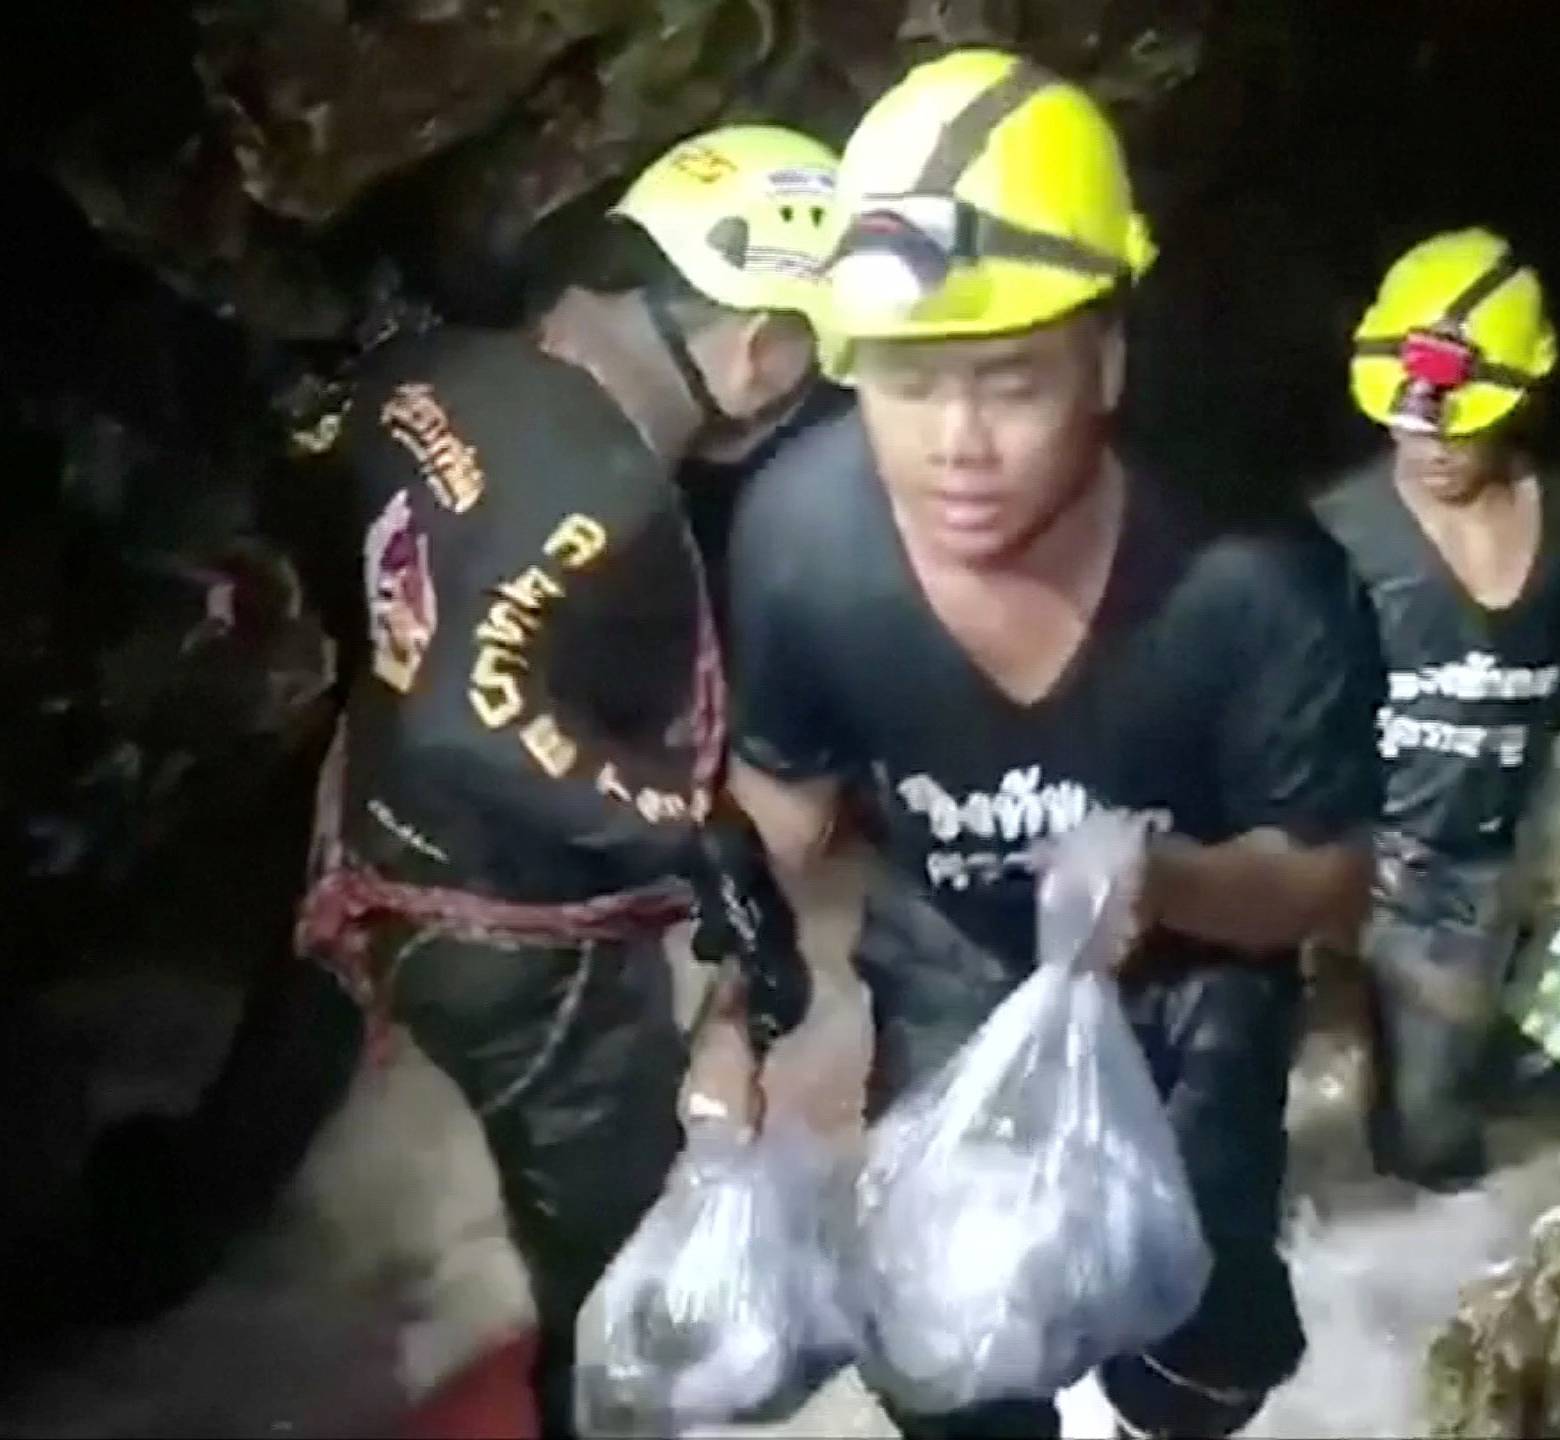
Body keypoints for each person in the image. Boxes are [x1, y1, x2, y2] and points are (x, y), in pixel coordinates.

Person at [705, 49, 1382, 1440]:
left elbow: (1328, 878)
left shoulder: (1255, 580)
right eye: (905, 382)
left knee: (1193, 1342)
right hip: (951, 964)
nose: (956, 443)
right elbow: (785, 804)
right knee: (953, 1365)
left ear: (1108, 357)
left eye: (1011, 382)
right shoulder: (800, 542)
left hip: (1193, 999)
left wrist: (1172, 886)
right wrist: (734, 1017)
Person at [210, 124, 835, 1438]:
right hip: (507, 930)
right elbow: (470, 718)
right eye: (805, 370)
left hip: (357, 832)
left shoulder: (436, 371)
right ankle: (591, 1413)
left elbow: (343, 530)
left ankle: (148, 1235)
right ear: (761, 352)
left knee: (290, 1054)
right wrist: (690, 832)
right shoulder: (603, 492)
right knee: (617, 1242)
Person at [1311, 228, 1560, 1190]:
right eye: (1409, 420)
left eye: (1459, 421)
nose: (1432, 442)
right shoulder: (1332, 534)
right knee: (1412, 1128)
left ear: (1523, 395)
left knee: (1521, 1111)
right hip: (1384, 872)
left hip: (1525, 860)